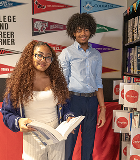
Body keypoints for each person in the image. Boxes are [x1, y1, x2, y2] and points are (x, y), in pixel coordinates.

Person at [1, 40, 74, 160]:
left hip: (56, 135)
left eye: (48, 57)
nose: (44, 60)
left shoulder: (57, 81)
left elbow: (65, 107)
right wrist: (18, 122)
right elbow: (6, 113)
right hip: (32, 136)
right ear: (30, 56)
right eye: (39, 55)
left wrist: (68, 117)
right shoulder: (18, 83)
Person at [58, 13, 106, 160]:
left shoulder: (96, 55)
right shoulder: (67, 53)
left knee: (88, 145)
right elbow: (63, 83)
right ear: (73, 32)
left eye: (85, 30)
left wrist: (102, 109)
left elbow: (98, 82)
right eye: (78, 30)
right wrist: (64, 107)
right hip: (73, 101)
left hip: (91, 103)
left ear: (90, 31)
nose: (82, 33)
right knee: (69, 144)